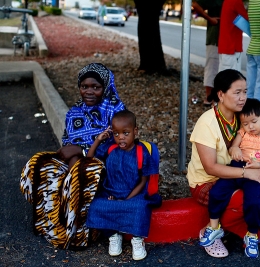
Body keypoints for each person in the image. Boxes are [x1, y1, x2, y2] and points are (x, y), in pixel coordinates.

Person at [20, 63, 126, 249]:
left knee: (80, 169)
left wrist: (82, 152)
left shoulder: (115, 111)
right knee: (38, 164)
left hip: (107, 166)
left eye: (96, 87)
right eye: (84, 86)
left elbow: (119, 144)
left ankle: (78, 230)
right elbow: (67, 143)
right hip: (73, 161)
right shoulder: (74, 112)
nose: (89, 92)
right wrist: (71, 154)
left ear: (106, 87)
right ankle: (52, 220)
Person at [187, 69, 260, 258]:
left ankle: (252, 230)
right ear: (221, 94)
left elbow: (257, 148)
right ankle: (210, 230)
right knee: (241, 198)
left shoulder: (241, 117)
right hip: (207, 180)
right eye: (237, 92)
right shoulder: (207, 123)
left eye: (245, 92)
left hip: (236, 172)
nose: (243, 97)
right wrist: (247, 174)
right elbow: (210, 167)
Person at [86, 110, 161, 260]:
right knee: (96, 206)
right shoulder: (110, 147)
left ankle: (137, 239)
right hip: (111, 192)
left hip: (134, 193)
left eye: (125, 133)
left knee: (140, 207)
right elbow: (89, 159)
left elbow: (143, 181)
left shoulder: (142, 152)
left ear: (135, 131)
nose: (120, 137)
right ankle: (113, 235)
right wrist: (98, 140)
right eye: (116, 133)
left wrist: (127, 199)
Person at [192, 0, 224, 106]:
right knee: (212, 67)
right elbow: (195, 4)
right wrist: (210, 19)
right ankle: (209, 98)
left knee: (220, 68)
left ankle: (217, 97)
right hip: (214, 38)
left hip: (225, 40)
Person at [218, 0, 248, 72]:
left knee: (223, 77)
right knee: (233, 78)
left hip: (224, 46)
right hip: (232, 47)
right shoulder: (236, 1)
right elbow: (248, 19)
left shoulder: (226, 1)